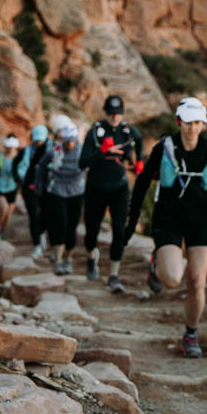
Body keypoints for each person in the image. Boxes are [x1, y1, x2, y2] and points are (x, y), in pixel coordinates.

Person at [125, 97, 207, 357]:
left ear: (203, 124)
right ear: (178, 122)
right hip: (168, 218)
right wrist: (132, 219)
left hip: (200, 220)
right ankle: (157, 264)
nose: (192, 128)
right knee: (172, 279)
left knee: (197, 282)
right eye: (187, 122)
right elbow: (142, 183)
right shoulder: (165, 148)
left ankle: (190, 334)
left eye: (197, 122)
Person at [79, 94, 144, 293]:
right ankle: (91, 258)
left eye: (118, 113)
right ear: (106, 113)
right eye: (112, 113)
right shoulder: (95, 132)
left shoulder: (128, 132)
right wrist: (102, 151)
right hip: (96, 187)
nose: (115, 117)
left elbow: (139, 140)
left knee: (119, 230)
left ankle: (113, 275)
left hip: (119, 187)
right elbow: (82, 162)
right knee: (91, 230)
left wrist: (138, 161)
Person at [37, 115, 86, 275]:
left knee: (72, 227)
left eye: (72, 140)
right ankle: (57, 260)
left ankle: (68, 259)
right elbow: (41, 166)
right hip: (57, 192)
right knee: (61, 224)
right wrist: (40, 186)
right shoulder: (55, 151)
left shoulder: (82, 152)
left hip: (76, 193)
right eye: (67, 140)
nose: (70, 143)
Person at [15, 124, 50, 258]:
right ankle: (36, 244)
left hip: (45, 188)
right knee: (34, 215)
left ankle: (41, 233)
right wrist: (20, 180)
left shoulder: (51, 150)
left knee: (46, 214)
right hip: (28, 187)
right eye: (37, 140)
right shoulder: (25, 152)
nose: (39, 143)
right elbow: (15, 165)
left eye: (41, 140)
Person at [0, 134, 21, 239]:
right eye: (8, 146)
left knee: (9, 212)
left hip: (12, 188)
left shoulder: (18, 158)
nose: (10, 149)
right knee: (4, 208)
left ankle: (3, 232)